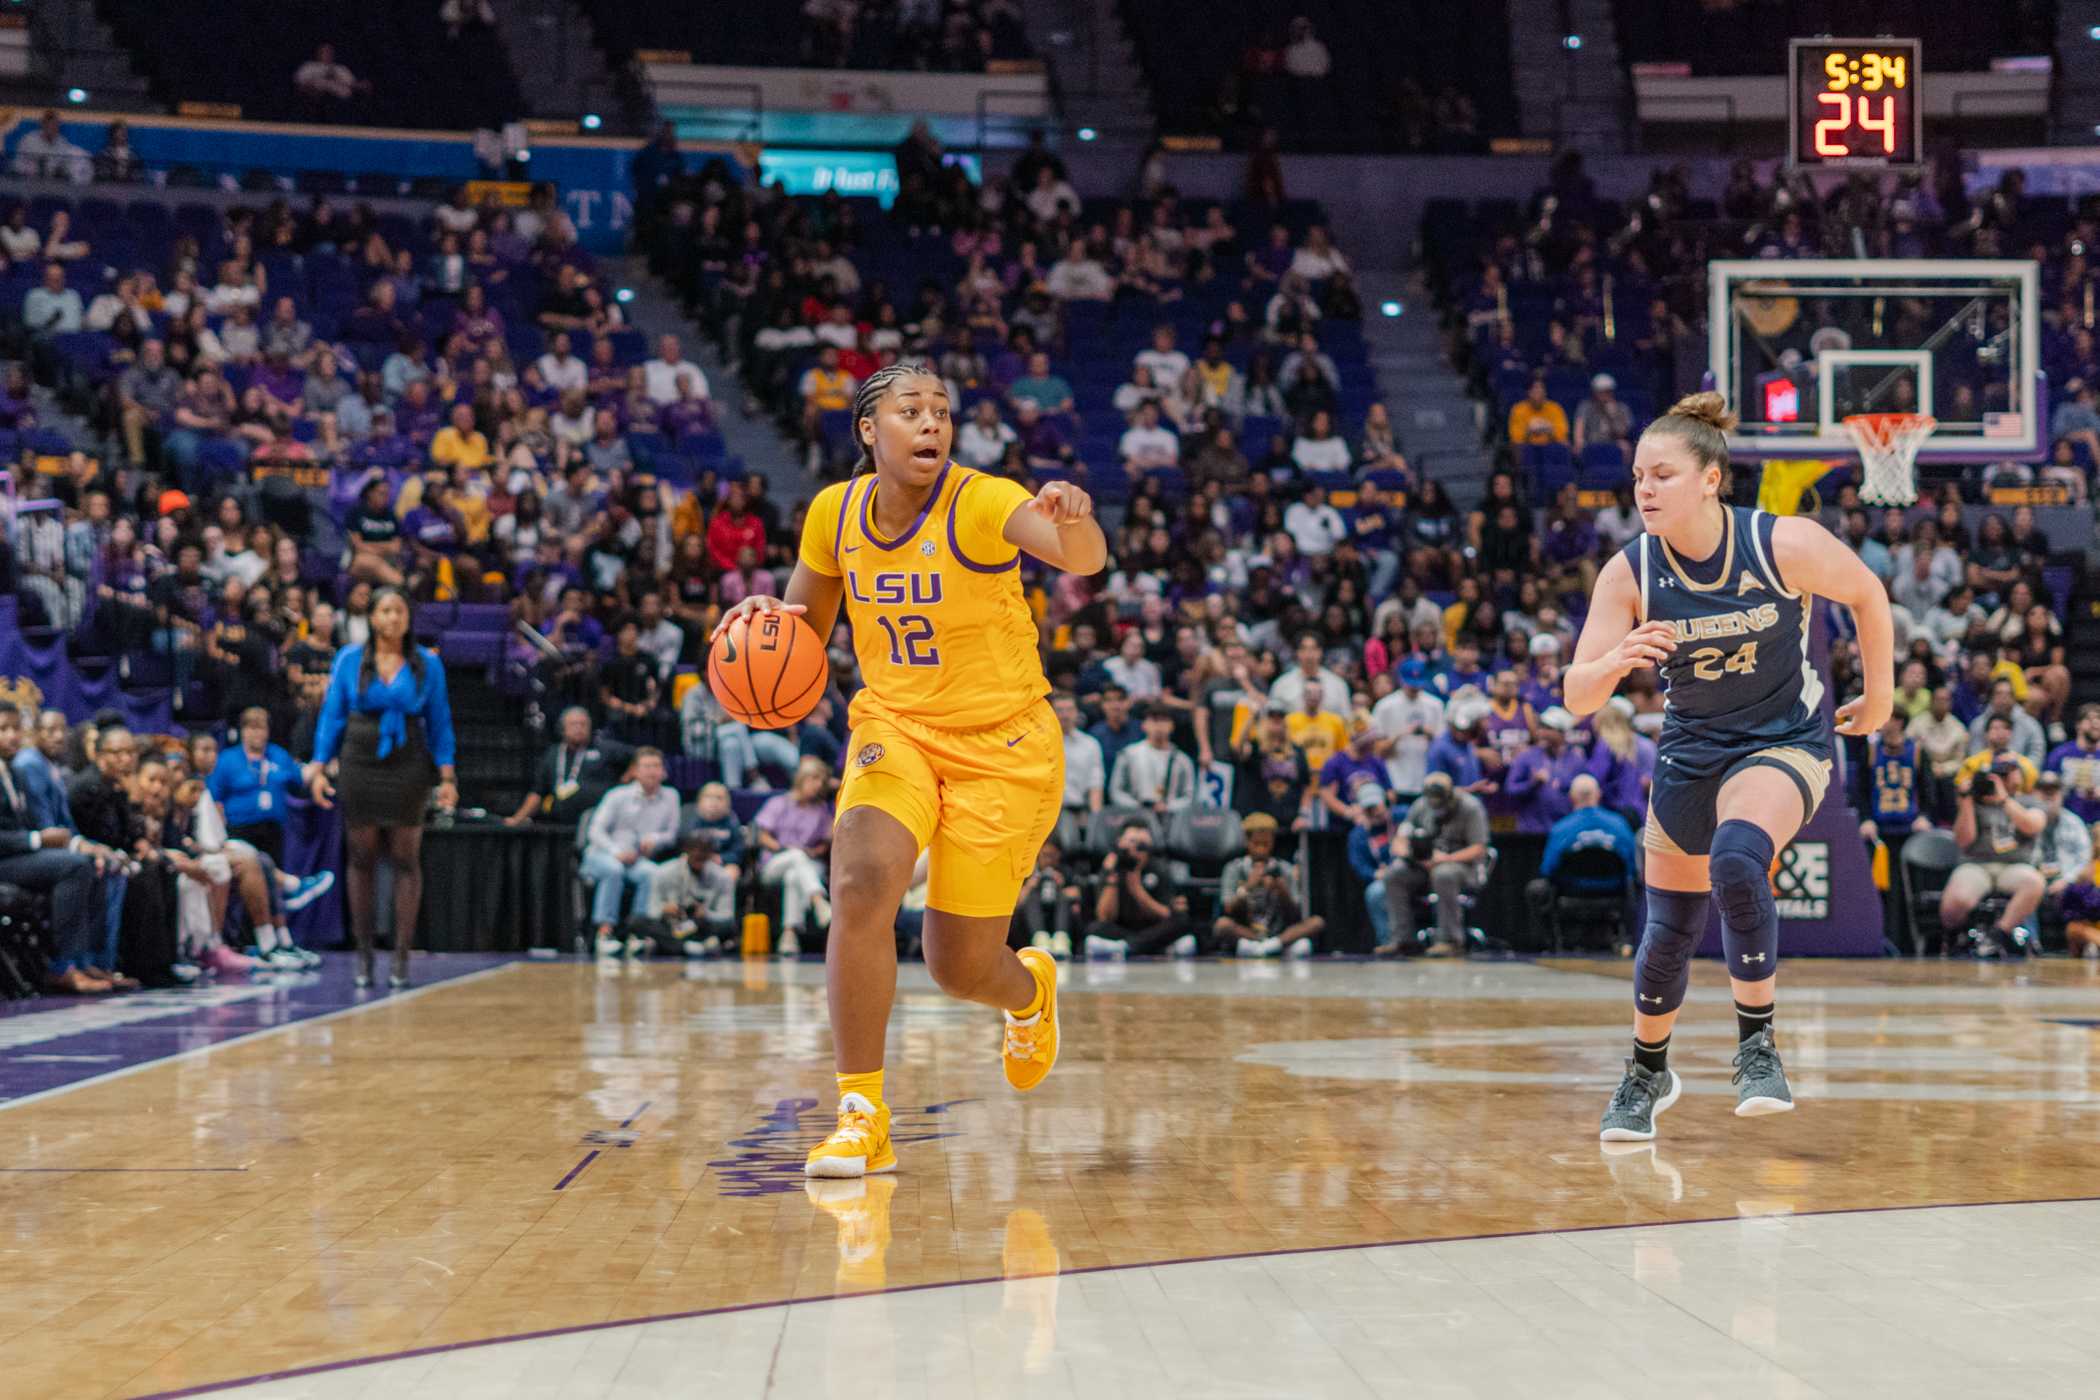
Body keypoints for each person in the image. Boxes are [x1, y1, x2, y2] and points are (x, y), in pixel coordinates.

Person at [715, 361, 1105, 1179]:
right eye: (910, 411)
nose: (931, 423)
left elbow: (1084, 561)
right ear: (869, 430)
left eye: (941, 411)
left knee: (957, 965)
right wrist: (761, 624)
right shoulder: (835, 513)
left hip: (1002, 746)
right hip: (897, 727)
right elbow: (802, 632)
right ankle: (861, 1112)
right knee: (858, 881)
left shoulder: (984, 500)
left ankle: (1029, 993)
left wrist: (1075, 519)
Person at [1564, 393, 1893, 1142]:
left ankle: (1758, 1046)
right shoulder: (1630, 571)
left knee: (1739, 859)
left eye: (1664, 475)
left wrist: (1879, 697)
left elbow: (1869, 596)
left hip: (1782, 743)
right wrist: (1614, 660)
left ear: (1710, 478)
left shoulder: (1781, 543)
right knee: (1667, 936)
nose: (1645, 490)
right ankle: (1648, 1072)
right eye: (1639, 477)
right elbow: (1577, 695)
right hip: (1690, 752)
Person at [305, 587, 459, 990]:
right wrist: (319, 766)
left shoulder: (428, 664)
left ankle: (402, 956)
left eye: (400, 611)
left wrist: (447, 776)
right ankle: (364, 954)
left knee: (407, 857)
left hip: (408, 757)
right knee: (361, 858)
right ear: (372, 617)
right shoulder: (349, 659)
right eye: (386, 611)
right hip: (360, 755)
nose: (394, 618)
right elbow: (333, 715)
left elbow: (440, 721)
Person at [0, 708, 110, 994]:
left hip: (16, 856)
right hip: (5, 859)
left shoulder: (11, 770)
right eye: (3, 729)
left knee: (88, 862)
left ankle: (86, 960)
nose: (11, 736)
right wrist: (36, 840)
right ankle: (62, 968)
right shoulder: (24, 767)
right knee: (73, 866)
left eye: (15, 729)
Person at [1940, 755, 2048, 958]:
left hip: (2013, 866)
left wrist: (2004, 799)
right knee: (1956, 901)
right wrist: (1966, 800)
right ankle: (1954, 936)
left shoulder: (2029, 801)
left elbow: (2032, 826)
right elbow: (1964, 840)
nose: (2002, 780)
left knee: (2034, 882)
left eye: (2008, 773)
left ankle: (1999, 934)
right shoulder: (1975, 801)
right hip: (1977, 864)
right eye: (1998, 774)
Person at [581, 747, 681, 957]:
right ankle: (604, 933)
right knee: (614, 869)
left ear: (663, 771)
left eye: (656, 766)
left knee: (653, 874)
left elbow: (671, 834)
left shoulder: (671, 796)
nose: (652, 771)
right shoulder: (617, 795)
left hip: (636, 860)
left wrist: (655, 839)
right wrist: (615, 851)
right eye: (646, 766)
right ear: (635, 771)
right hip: (601, 854)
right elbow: (595, 831)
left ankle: (639, 931)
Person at [1525, 774, 1638, 954]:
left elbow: (1548, 870)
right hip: (1613, 893)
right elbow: (1632, 868)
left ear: (1571, 797)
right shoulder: (1619, 825)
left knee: (1536, 889)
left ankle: (1553, 944)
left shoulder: (1561, 828)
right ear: (1598, 795)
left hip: (1572, 893)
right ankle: (1627, 940)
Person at [1381, 772, 1489, 957]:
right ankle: (1403, 940)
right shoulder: (1420, 805)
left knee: (1443, 874)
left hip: (1462, 866)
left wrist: (1445, 858)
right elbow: (1400, 839)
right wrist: (1411, 854)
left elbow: (1479, 849)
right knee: (1394, 874)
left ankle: (1450, 941)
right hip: (1424, 865)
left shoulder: (1471, 807)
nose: (1436, 806)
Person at [753, 756, 837, 959]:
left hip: (806, 863)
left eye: (821, 781)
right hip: (775, 861)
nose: (818, 785)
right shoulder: (779, 803)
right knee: (796, 857)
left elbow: (824, 845)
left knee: (794, 876)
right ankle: (818, 901)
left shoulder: (821, 811)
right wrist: (786, 848)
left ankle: (789, 935)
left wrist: (813, 852)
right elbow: (762, 836)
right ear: (801, 778)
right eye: (814, 778)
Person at [1213, 812, 1324, 957]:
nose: (1261, 850)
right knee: (1222, 925)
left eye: (1266, 844)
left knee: (1317, 922)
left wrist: (1281, 890)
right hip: (1248, 931)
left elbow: (1295, 913)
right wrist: (1247, 887)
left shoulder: (1284, 868)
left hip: (1278, 931)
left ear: (1273, 841)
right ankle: (1264, 946)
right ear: (1247, 841)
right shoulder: (1234, 868)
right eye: (1256, 844)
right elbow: (1227, 909)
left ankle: (1273, 945)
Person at [1082, 818, 1188, 958]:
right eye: (1132, 842)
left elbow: (1165, 914)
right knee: (1094, 928)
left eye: (1142, 844)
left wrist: (1137, 891)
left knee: (1181, 921)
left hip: (1152, 927)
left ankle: (1127, 946)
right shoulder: (1112, 866)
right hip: (1123, 928)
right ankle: (1150, 947)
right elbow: (1105, 916)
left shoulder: (1158, 867)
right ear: (1120, 843)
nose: (1137, 849)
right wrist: (1111, 879)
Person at [208, 707, 302, 864]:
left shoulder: (279, 755)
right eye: (252, 728)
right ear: (242, 731)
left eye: (261, 728)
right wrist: (220, 833)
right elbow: (215, 797)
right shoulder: (227, 759)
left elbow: (299, 781)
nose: (257, 733)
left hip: (273, 828)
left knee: (273, 872)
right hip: (239, 828)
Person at [506, 706, 626, 826]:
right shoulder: (552, 754)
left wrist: (626, 778)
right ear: (563, 728)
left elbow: (640, 756)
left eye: (583, 724)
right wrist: (518, 818)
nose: (579, 728)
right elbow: (537, 792)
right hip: (559, 823)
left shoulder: (605, 749)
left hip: (597, 820)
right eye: (574, 724)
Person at [650, 831, 738, 958]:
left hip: (701, 925)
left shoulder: (723, 877)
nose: (699, 854)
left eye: (704, 851)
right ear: (685, 850)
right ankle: (688, 946)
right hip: (671, 924)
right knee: (637, 922)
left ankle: (673, 945)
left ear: (711, 853)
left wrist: (706, 914)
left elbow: (727, 916)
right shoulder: (663, 872)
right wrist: (664, 909)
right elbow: (651, 910)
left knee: (729, 927)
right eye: (695, 850)